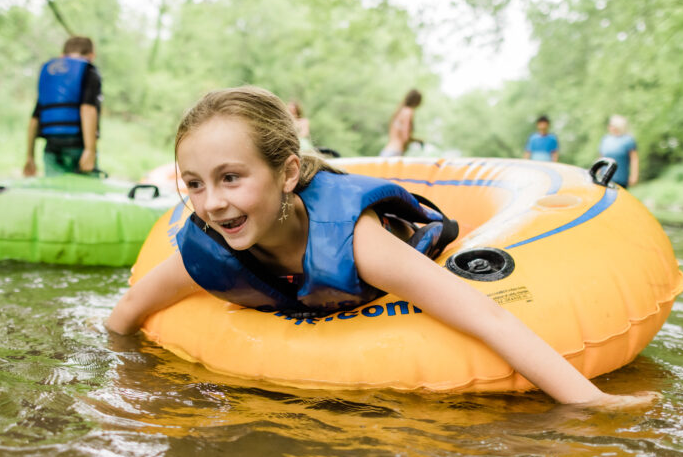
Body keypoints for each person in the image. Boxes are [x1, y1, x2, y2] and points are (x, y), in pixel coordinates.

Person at [107, 86, 654, 408]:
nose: (212, 204)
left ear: (288, 172)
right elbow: (127, 313)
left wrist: (591, 404)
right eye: (195, 183)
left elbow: (490, 319)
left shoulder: (358, 242)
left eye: (231, 178)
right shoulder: (209, 249)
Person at [23, 36, 102, 177]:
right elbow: (88, 109)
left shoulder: (48, 74)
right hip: (78, 146)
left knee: (55, 193)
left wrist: (30, 156)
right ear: (91, 56)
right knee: (86, 194)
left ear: (62, 55)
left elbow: (34, 119)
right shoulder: (88, 71)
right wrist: (90, 150)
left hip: (51, 147)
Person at [599, 115, 639, 188]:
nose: (610, 127)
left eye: (612, 125)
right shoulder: (605, 139)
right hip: (604, 178)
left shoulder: (628, 140)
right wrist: (596, 171)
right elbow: (601, 158)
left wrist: (634, 176)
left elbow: (634, 159)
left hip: (620, 178)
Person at [379, 89, 422, 157]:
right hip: (395, 152)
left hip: (387, 151)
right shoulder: (408, 112)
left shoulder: (400, 111)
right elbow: (405, 136)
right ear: (417, 101)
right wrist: (418, 141)